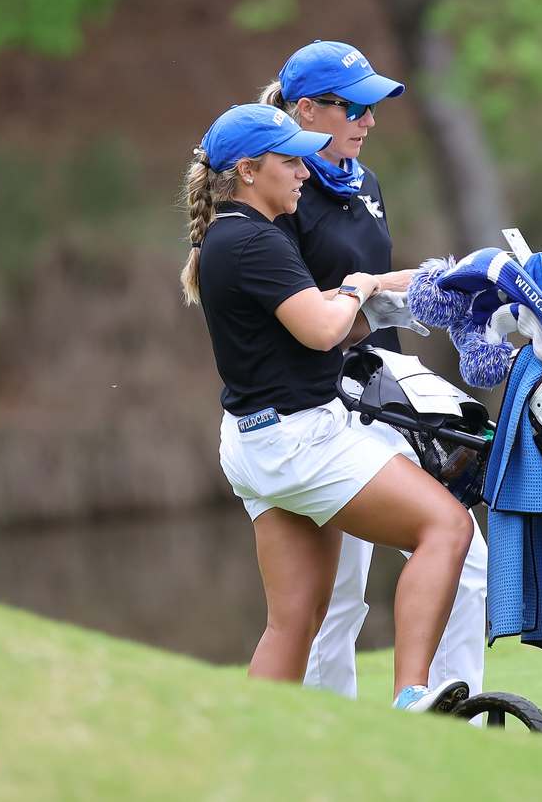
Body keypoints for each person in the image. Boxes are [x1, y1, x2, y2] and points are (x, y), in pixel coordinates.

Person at [180, 102, 474, 711]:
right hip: (300, 441)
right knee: (446, 526)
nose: (305, 174)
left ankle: (260, 749)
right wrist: (357, 285)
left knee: (296, 618)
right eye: (290, 162)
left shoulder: (232, 236)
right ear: (248, 171)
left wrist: (431, 286)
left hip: (257, 442)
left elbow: (320, 327)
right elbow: (322, 329)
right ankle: (413, 696)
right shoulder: (252, 240)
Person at [258, 41, 489, 700]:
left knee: (464, 555)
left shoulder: (365, 180)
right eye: (353, 106)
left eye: (373, 106)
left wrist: (436, 289)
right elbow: (315, 317)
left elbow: (363, 289)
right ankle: (331, 747)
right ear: (307, 109)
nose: (369, 119)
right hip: (316, 404)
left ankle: (456, 727)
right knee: (338, 600)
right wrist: (393, 293)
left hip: (378, 386)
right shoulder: (281, 194)